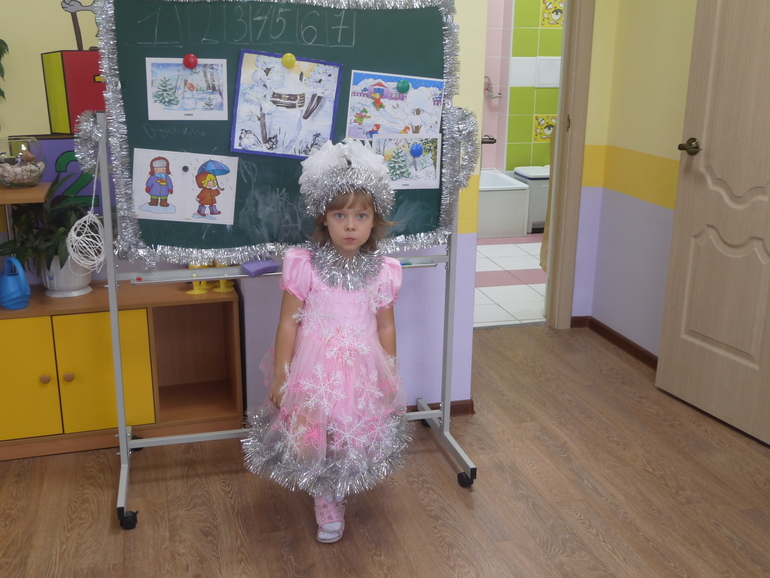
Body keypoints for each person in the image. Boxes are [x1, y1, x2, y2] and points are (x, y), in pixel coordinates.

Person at [242, 139, 409, 544]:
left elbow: (385, 327)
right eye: (340, 215)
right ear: (325, 218)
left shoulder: (383, 272)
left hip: (360, 368)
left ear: (374, 220)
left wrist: (389, 372)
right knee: (312, 435)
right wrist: (281, 374)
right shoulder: (305, 267)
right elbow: (288, 324)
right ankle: (324, 495)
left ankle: (337, 493)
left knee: (347, 433)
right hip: (314, 369)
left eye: (361, 215)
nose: (350, 226)